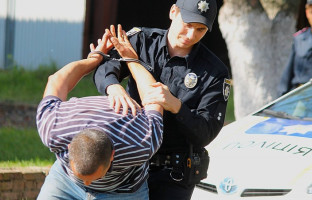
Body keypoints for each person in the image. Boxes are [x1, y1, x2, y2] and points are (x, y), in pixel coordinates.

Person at [93, 0, 231, 199]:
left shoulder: (214, 72)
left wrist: (175, 105)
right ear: (173, 12)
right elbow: (105, 67)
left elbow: (206, 132)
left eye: (200, 29)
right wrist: (113, 87)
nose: (191, 35)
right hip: (130, 163)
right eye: (188, 25)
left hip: (174, 175)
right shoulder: (141, 40)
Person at [36, 28, 164, 200]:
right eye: (83, 176)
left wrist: (132, 61)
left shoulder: (142, 140)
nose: (88, 184)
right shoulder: (54, 128)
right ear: (69, 148)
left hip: (124, 190)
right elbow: (57, 81)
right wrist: (93, 60)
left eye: (96, 177)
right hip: (66, 183)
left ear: (112, 155)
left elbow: (154, 98)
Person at [278, 0, 312, 96]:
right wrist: (279, 100)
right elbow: (288, 73)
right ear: (307, 13)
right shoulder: (300, 39)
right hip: (302, 95)